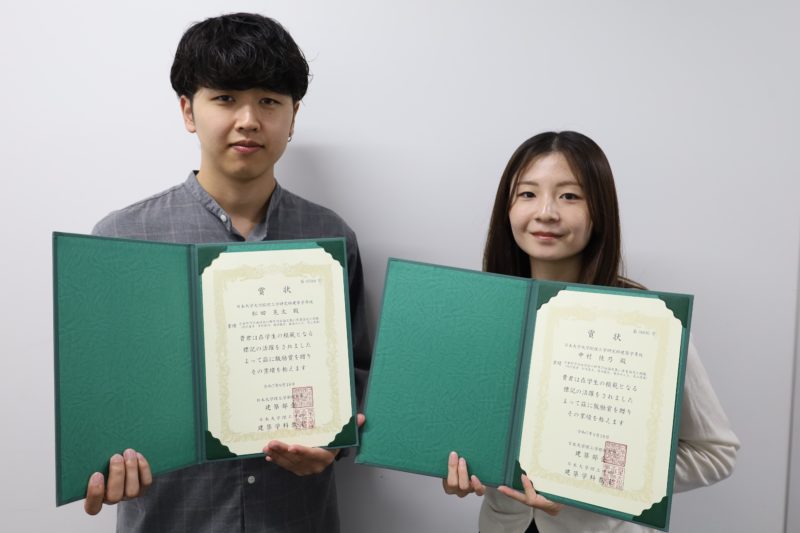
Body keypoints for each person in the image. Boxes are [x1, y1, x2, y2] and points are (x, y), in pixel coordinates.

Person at [83, 13, 370, 533]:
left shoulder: (330, 237)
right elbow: (97, 396)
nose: (248, 119)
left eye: (269, 101)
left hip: (296, 519)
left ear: (293, 116)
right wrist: (99, 462)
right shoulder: (122, 239)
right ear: (188, 111)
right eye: (225, 98)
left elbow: (357, 376)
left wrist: (337, 444)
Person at [441, 131, 739, 532]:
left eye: (569, 196)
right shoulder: (481, 312)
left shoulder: (646, 320)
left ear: (599, 210)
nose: (546, 212)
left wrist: (593, 484)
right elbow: (468, 433)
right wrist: (456, 466)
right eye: (527, 194)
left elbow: (716, 453)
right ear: (506, 208)